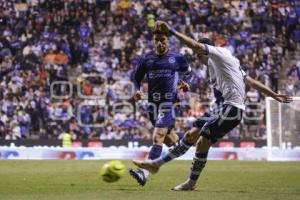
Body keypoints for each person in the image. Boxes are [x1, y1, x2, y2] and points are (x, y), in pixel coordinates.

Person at [133, 21, 293, 191]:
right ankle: (185, 180)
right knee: (192, 135)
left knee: (202, 139)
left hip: (232, 107)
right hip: (220, 107)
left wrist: (171, 31)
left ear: (205, 51)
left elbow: (195, 44)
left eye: (198, 54)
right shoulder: (221, 65)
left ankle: (156, 164)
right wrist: (273, 94)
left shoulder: (220, 54)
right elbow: (251, 82)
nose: (197, 58)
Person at [129, 25, 192, 186]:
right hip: (152, 105)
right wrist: (137, 91)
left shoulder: (177, 58)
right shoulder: (147, 59)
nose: (159, 43)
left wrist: (187, 83)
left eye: (162, 39)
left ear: (167, 40)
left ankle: (144, 173)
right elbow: (136, 78)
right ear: (153, 40)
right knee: (172, 142)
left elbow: (188, 73)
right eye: (156, 40)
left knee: (157, 136)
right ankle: (196, 161)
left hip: (169, 104)